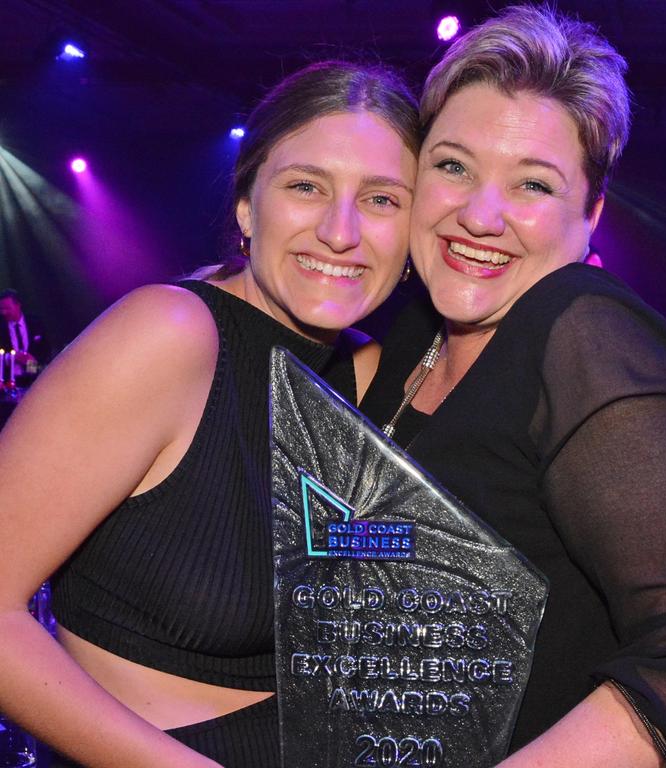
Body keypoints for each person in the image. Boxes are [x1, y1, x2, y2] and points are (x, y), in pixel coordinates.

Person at [360, 6, 666, 767]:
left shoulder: (585, 334)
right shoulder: (414, 333)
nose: (479, 215)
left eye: (533, 185)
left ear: (592, 216)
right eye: (452, 166)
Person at [0, 60, 418, 767]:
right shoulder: (169, 336)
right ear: (247, 207)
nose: (340, 231)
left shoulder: (365, 372)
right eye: (306, 187)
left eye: (381, 200)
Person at [0, 288, 51, 382]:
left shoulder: (36, 323)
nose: (3, 312)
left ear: (18, 305)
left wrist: (31, 364)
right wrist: (12, 358)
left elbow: (47, 353)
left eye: (7, 308)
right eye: (1, 309)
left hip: (37, 380)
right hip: (12, 382)